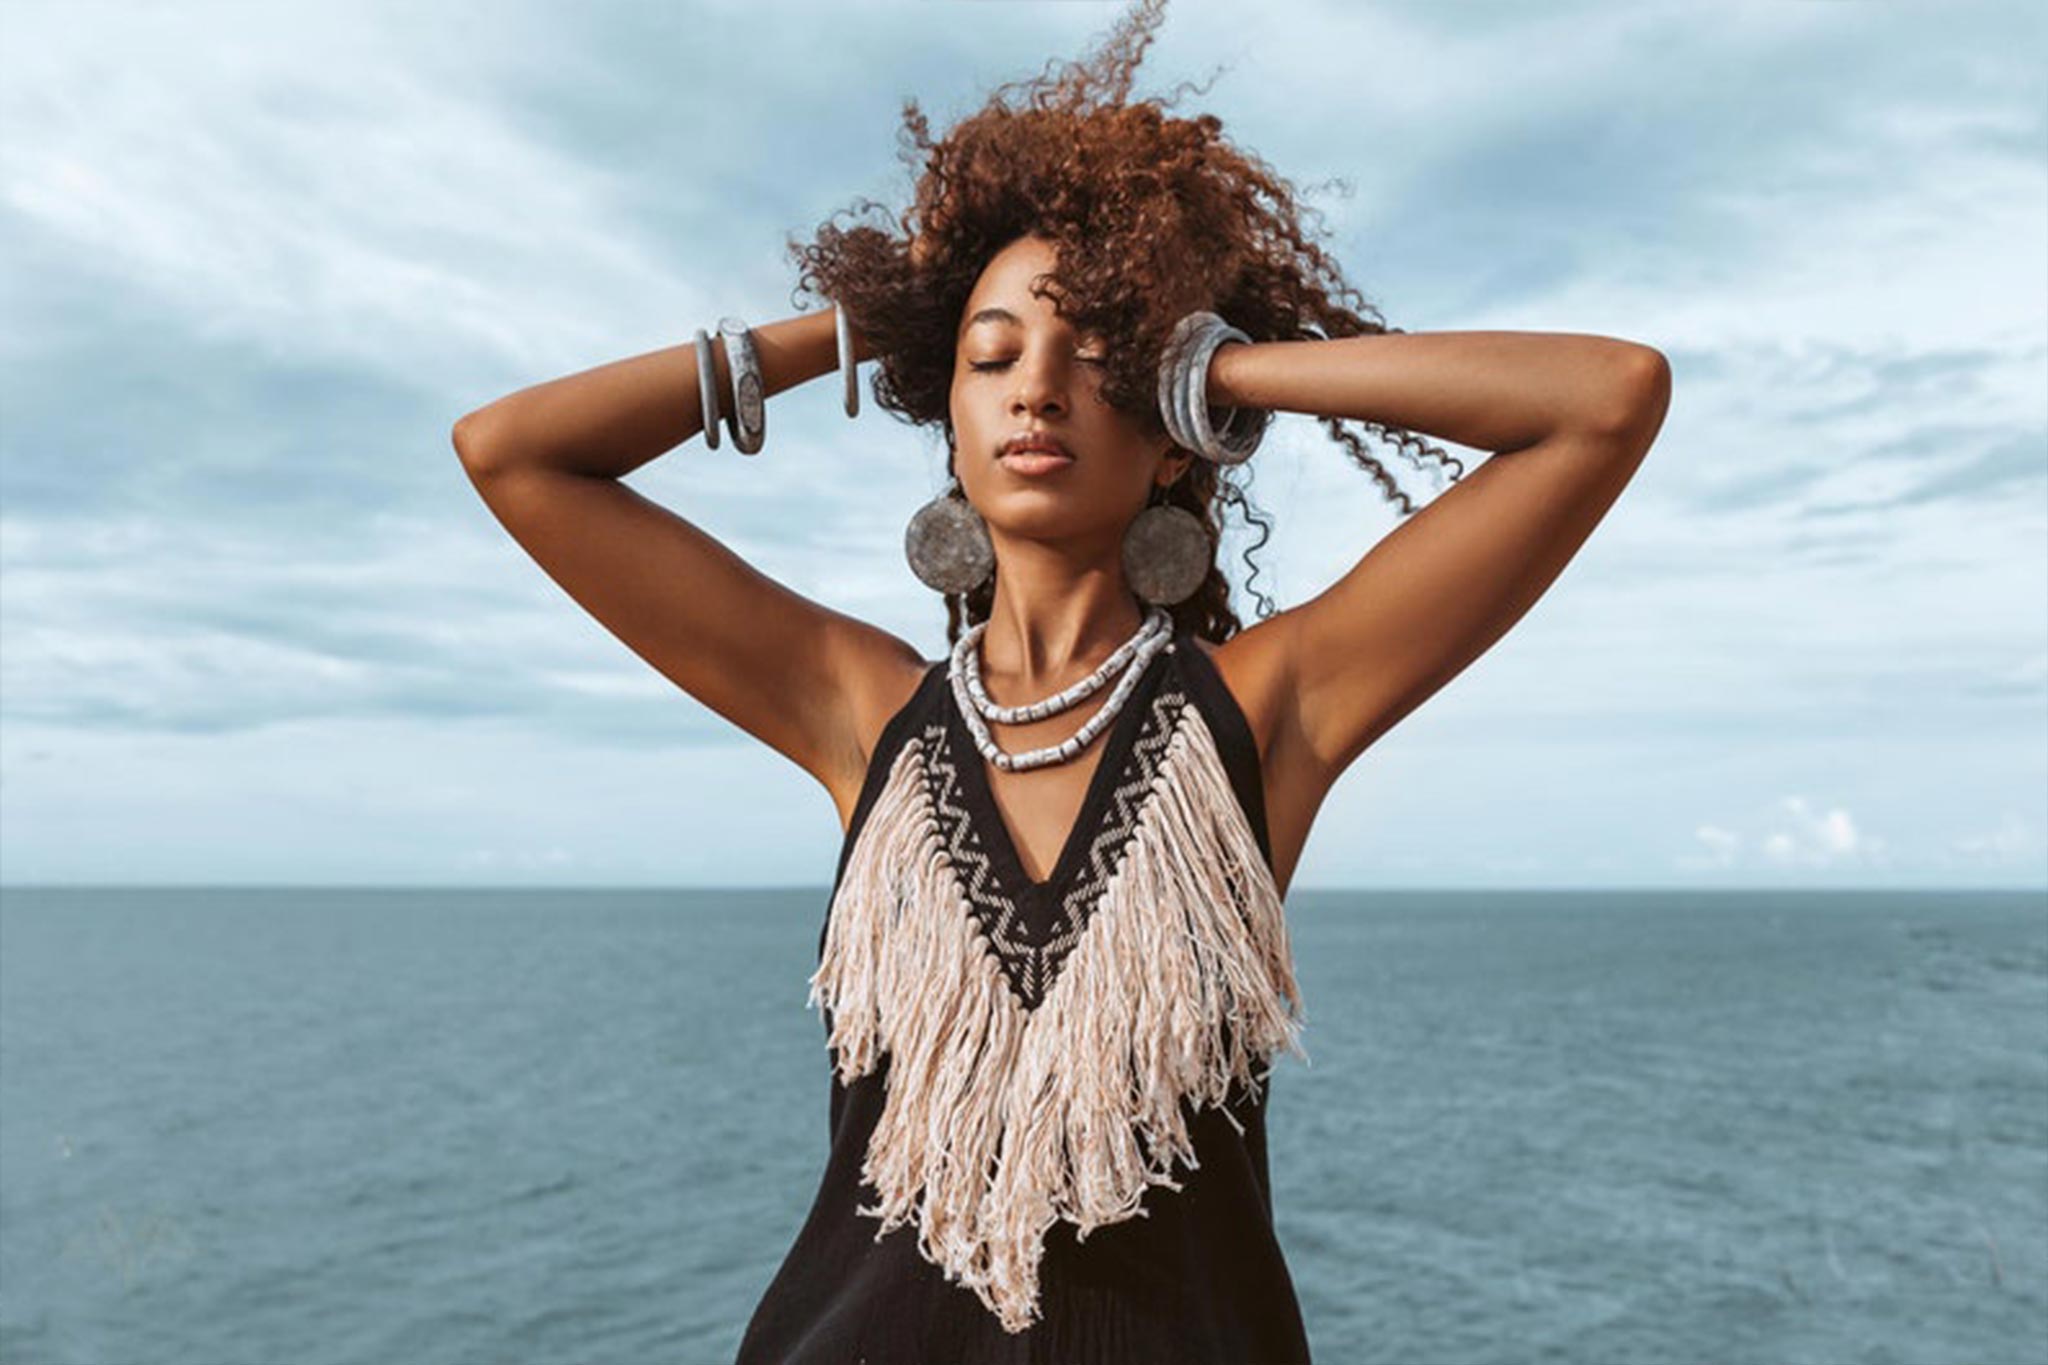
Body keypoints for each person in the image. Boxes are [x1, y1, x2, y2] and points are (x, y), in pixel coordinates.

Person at [450, 2, 1670, 1358]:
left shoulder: (1263, 709)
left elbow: (1605, 398)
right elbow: (513, 454)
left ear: (1171, 432)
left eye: (1100, 354)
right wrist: (858, 325)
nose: (1037, 386)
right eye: (988, 355)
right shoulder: (862, 709)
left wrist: (1234, 368)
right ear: (949, 420)